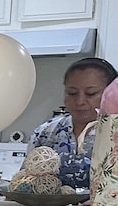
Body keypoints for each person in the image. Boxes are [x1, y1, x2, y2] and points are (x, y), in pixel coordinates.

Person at [29, 56, 117, 188]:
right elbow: (26, 181)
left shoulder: (114, 132)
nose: (80, 101)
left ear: (111, 94)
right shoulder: (45, 133)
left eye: (91, 93)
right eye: (72, 93)